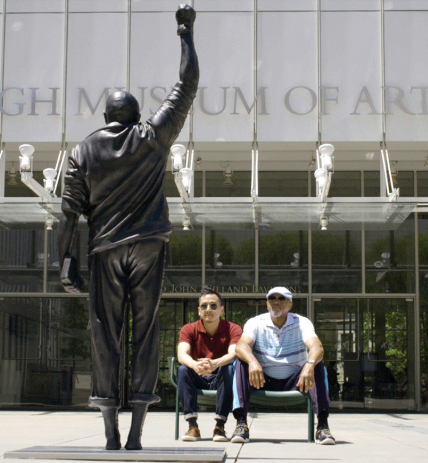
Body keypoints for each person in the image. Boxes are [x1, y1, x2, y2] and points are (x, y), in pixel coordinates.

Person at [56, 4, 198, 451]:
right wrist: (186, 33)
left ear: (105, 118)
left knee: (105, 333)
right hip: (149, 245)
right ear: (136, 116)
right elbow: (187, 85)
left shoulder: (83, 151)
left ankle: (111, 435)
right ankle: (136, 433)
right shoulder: (152, 136)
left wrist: (63, 261)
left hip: (106, 249)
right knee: (146, 329)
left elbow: (67, 214)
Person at [230, 286, 336, 445]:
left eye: (281, 299)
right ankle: (241, 424)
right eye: (272, 298)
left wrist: (310, 364)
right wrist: (252, 361)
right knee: (241, 362)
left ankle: (322, 426)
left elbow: (317, 348)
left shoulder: (301, 322)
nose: (276, 302)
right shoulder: (255, 322)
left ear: (290, 304)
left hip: (296, 381)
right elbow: (240, 346)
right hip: (262, 380)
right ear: (267, 303)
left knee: (317, 366)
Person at [176, 287, 242, 442]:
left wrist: (214, 364)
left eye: (213, 306)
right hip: (197, 377)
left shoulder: (233, 328)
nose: (208, 309)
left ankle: (220, 427)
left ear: (221, 310)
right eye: (204, 306)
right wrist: (194, 365)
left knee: (228, 368)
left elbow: (234, 354)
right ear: (199, 310)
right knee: (183, 369)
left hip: (221, 378)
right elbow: (181, 354)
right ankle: (192, 426)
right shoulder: (189, 329)